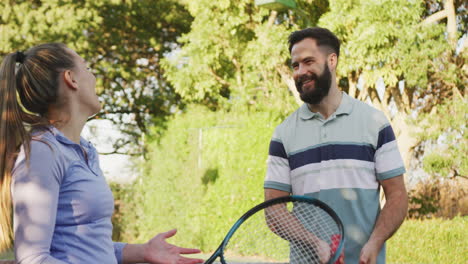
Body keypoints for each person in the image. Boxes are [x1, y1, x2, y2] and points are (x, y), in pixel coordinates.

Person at [0, 43, 204, 264]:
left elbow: (91, 249)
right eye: (87, 68)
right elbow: (33, 259)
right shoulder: (43, 152)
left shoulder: (84, 151)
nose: (94, 77)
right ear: (71, 78)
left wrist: (143, 251)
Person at [264, 27, 408, 264]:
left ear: (332, 60)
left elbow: (398, 195)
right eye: (295, 65)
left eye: (308, 61)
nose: (301, 71)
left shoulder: (374, 122)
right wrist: (314, 243)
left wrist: (375, 242)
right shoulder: (283, 134)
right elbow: (273, 209)